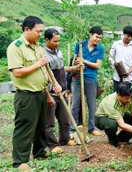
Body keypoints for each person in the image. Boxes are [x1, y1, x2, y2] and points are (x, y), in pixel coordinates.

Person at [6, 16, 51, 170]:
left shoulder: (38, 47)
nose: (40, 34)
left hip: (41, 93)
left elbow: (45, 69)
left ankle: (39, 151)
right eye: (38, 31)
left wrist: (54, 84)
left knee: (41, 125)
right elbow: (17, 72)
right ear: (27, 29)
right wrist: (38, 64)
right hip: (26, 95)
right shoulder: (15, 47)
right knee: (25, 127)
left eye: (41, 31)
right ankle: (20, 161)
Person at [44, 28, 80, 154]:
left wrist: (74, 68)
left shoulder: (58, 52)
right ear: (47, 40)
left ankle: (64, 140)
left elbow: (62, 69)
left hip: (62, 92)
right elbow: (45, 73)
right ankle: (52, 145)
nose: (57, 44)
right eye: (55, 41)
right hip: (52, 93)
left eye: (59, 41)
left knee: (64, 119)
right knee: (49, 122)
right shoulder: (43, 54)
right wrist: (51, 88)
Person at [95, 82, 132, 148]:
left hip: (119, 114)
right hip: (102, 118)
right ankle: (113, 142)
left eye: (130, 97)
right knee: (112, 124)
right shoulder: (110, 103)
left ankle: (122, 139)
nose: (129, 100)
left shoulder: (131, 98)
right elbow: (122, 125)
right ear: (118, 95)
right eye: (126, 98)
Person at [70, 26, 104, 136]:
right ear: (90, 35)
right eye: (96, 37)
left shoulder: (100, 48)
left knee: (92, 104)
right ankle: (72, 128)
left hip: (91, 79)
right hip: (77, 78)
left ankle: (91, 128)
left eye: (100, 38)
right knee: (75, 104)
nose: (98, 40)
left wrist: (84, 61)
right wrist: (77, 64)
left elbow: (97, 65)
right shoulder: (80, 45)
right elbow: (73, 62)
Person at [109, 26, 132, 92]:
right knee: (117, 98)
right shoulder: (116, 44)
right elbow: (111, 57)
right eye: (128, 36)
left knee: (131, 98)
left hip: (130, 79)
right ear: (124, 34)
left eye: (131, 36)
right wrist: (117, 67)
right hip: (117, 78)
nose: (129, 38)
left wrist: (128, 72)